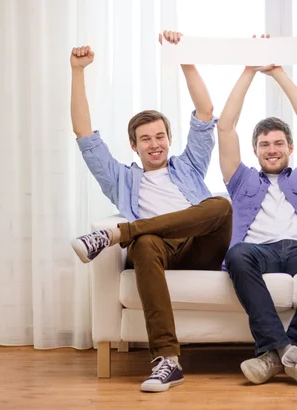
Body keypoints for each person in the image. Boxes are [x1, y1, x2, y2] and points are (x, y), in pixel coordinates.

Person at [69, 30, 232, 393]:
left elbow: (205, 113)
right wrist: (77, 72)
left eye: (160, 136)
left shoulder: (189, 166)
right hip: (156, 253)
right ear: (134, 144)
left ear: (169, 139)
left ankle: (117, 234)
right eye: (145, 138)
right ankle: (167, 361)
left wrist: (185, 58)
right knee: (143, 245)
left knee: (220, 205)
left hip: (198, 248)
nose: (154, 144)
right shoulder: (120, 180)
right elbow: (83, 134)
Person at [217, 48, 297, 388]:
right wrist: (248, 68)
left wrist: (277, 72)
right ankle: (292, 353)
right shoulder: (241, 179)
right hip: (260, 251)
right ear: (255, 150)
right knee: (236, 254)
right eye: (264, 144)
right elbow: (226, 127)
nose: (271, 149)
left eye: (278, 143)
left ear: (290, 147)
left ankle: (276, 355)